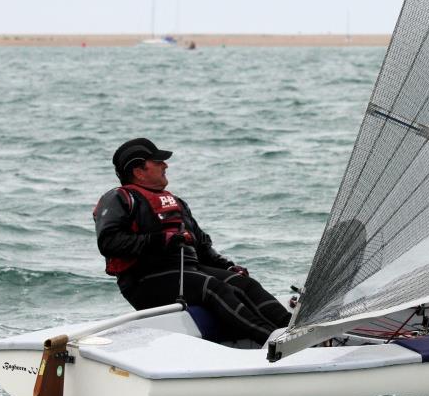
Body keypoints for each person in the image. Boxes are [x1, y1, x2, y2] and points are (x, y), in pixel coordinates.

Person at [93, 138, 291, 345]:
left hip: (188, 272)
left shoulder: (175, 201)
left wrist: (228, 266)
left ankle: (296, 331)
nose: (165, 165)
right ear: (138, 170)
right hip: (145, 280)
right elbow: (109, 242)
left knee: (244, 284)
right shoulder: (119, 198)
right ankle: (275, 342)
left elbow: (201, 245)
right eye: (158, 161)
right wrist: (162, 240)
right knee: (212, 287)